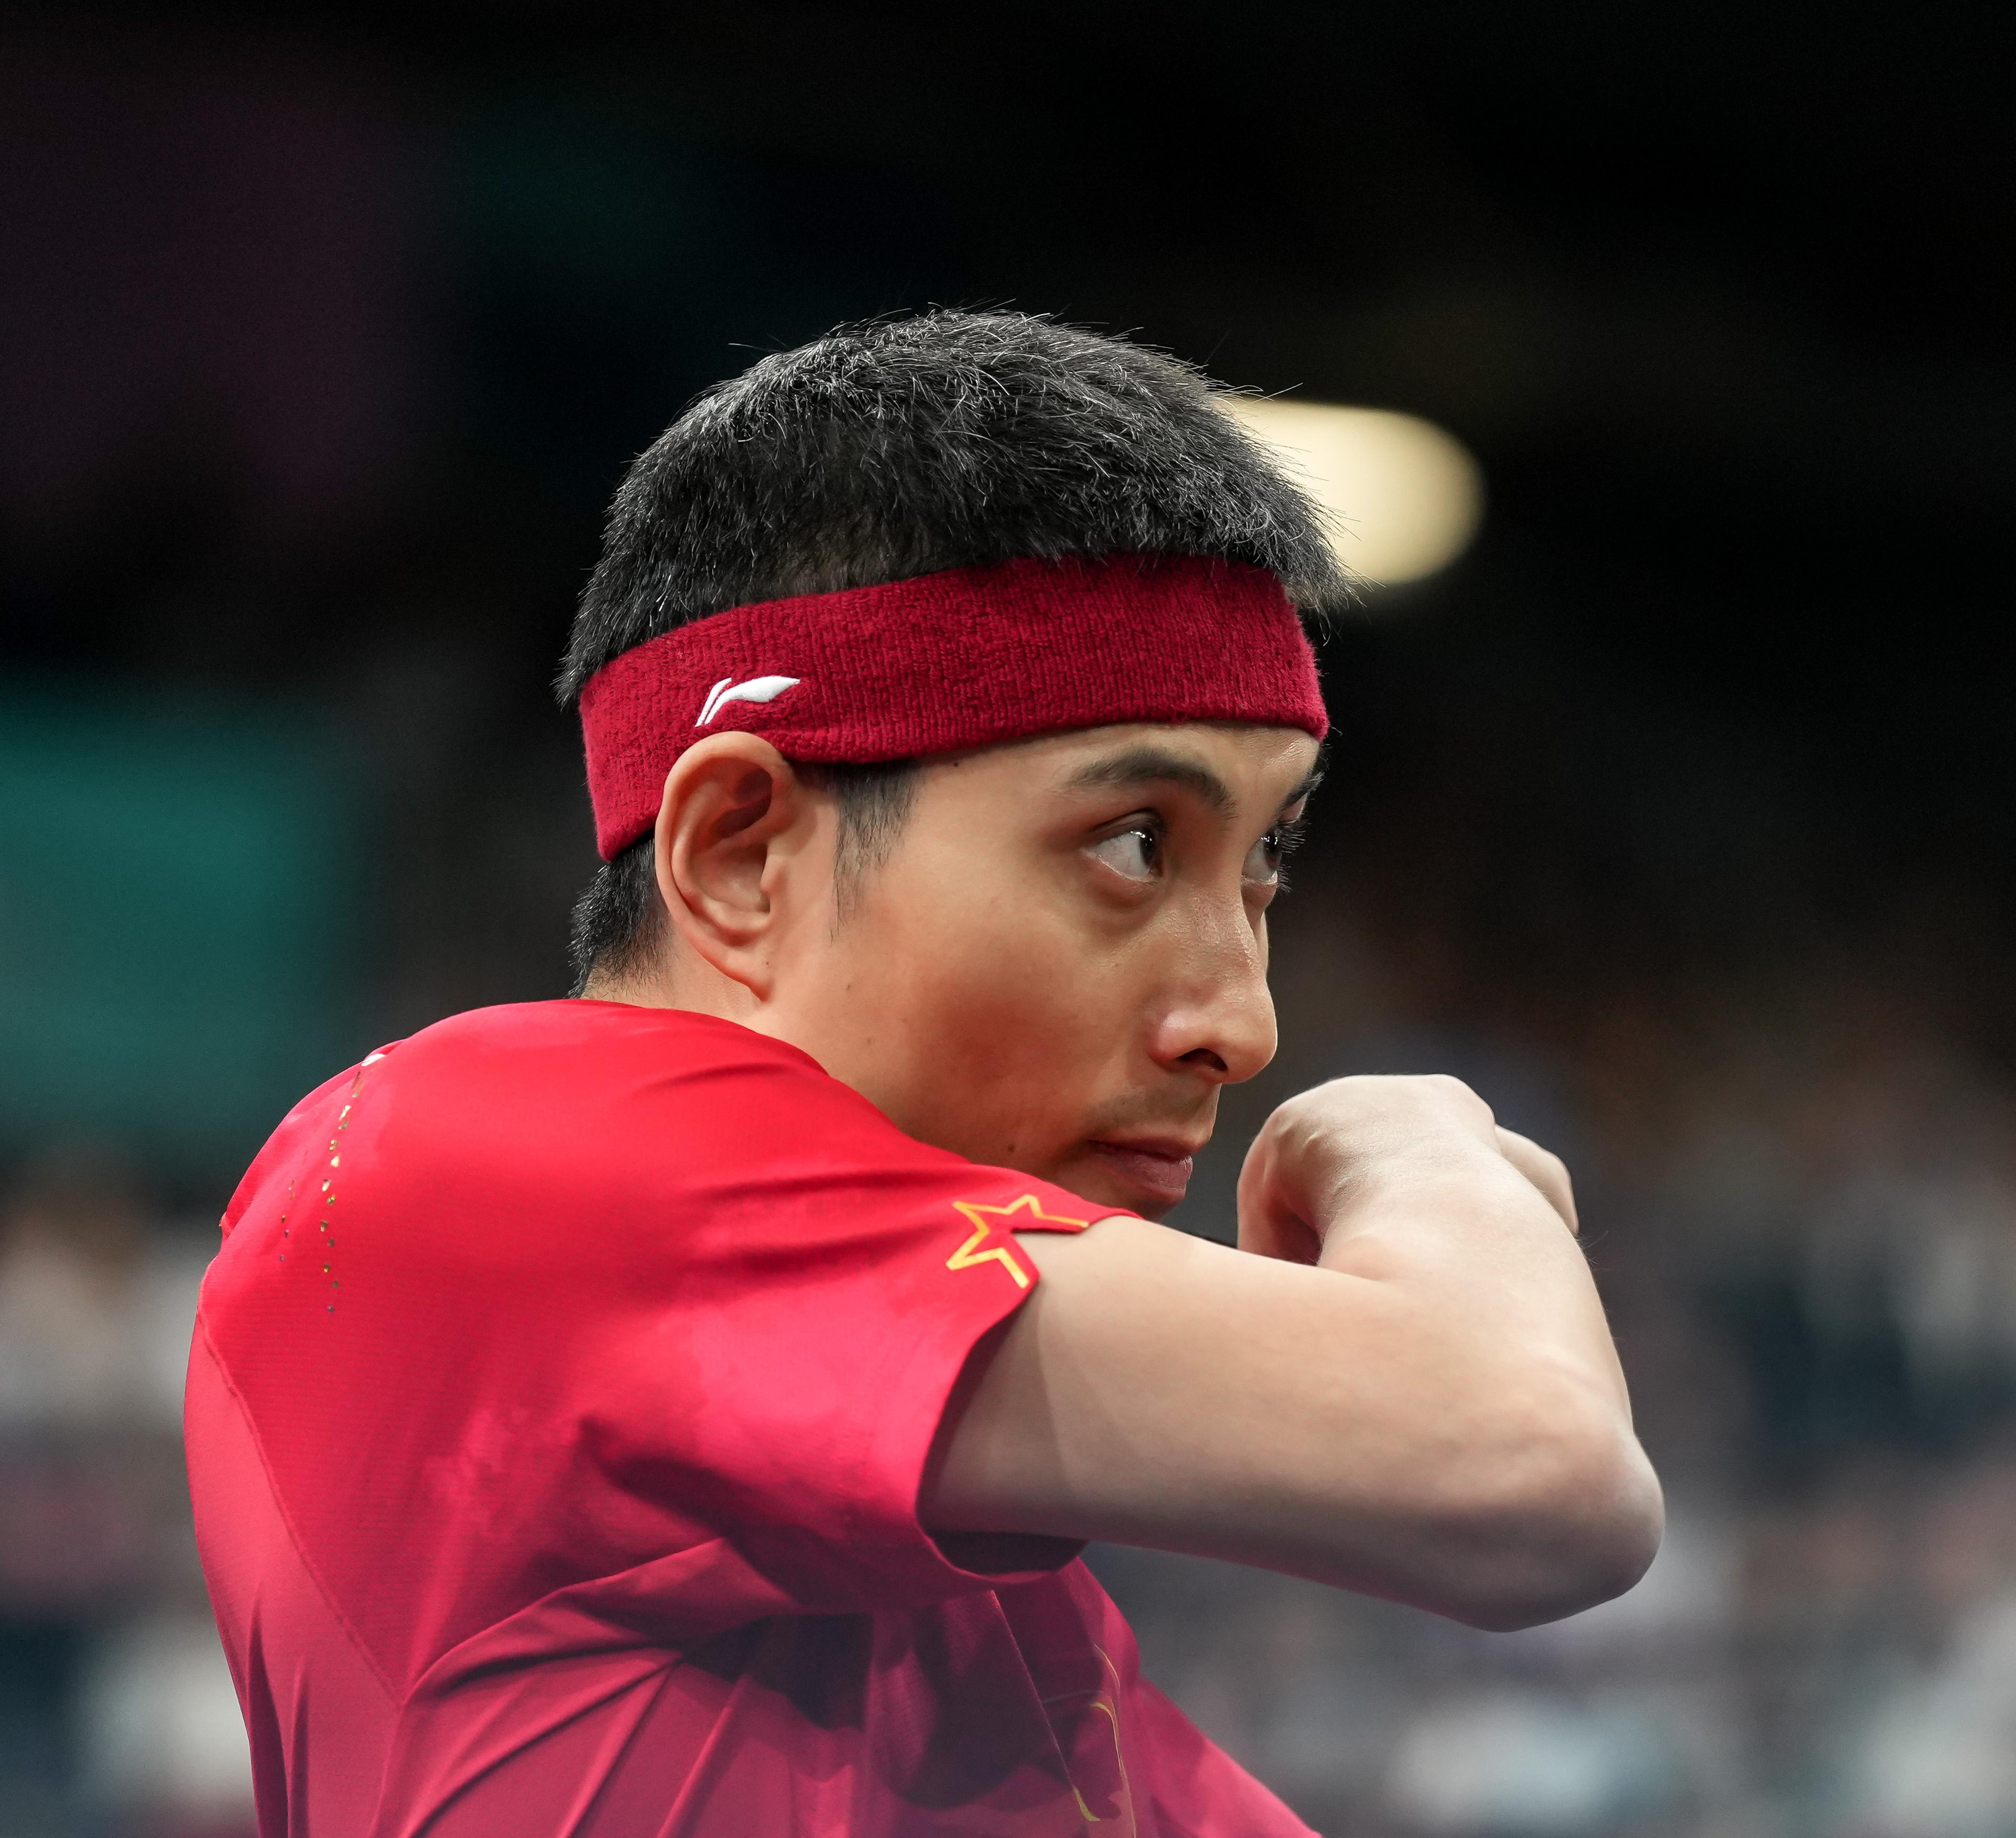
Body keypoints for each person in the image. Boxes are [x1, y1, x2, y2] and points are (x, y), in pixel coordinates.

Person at [185, 311, 1661, 1837]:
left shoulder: (993, 1648)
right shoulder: (495, 1154)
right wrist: (1412, 1141)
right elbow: (1536, 1466)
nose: (1240, 1021)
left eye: (1265, 859)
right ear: (740, 852)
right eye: (1133, 843)